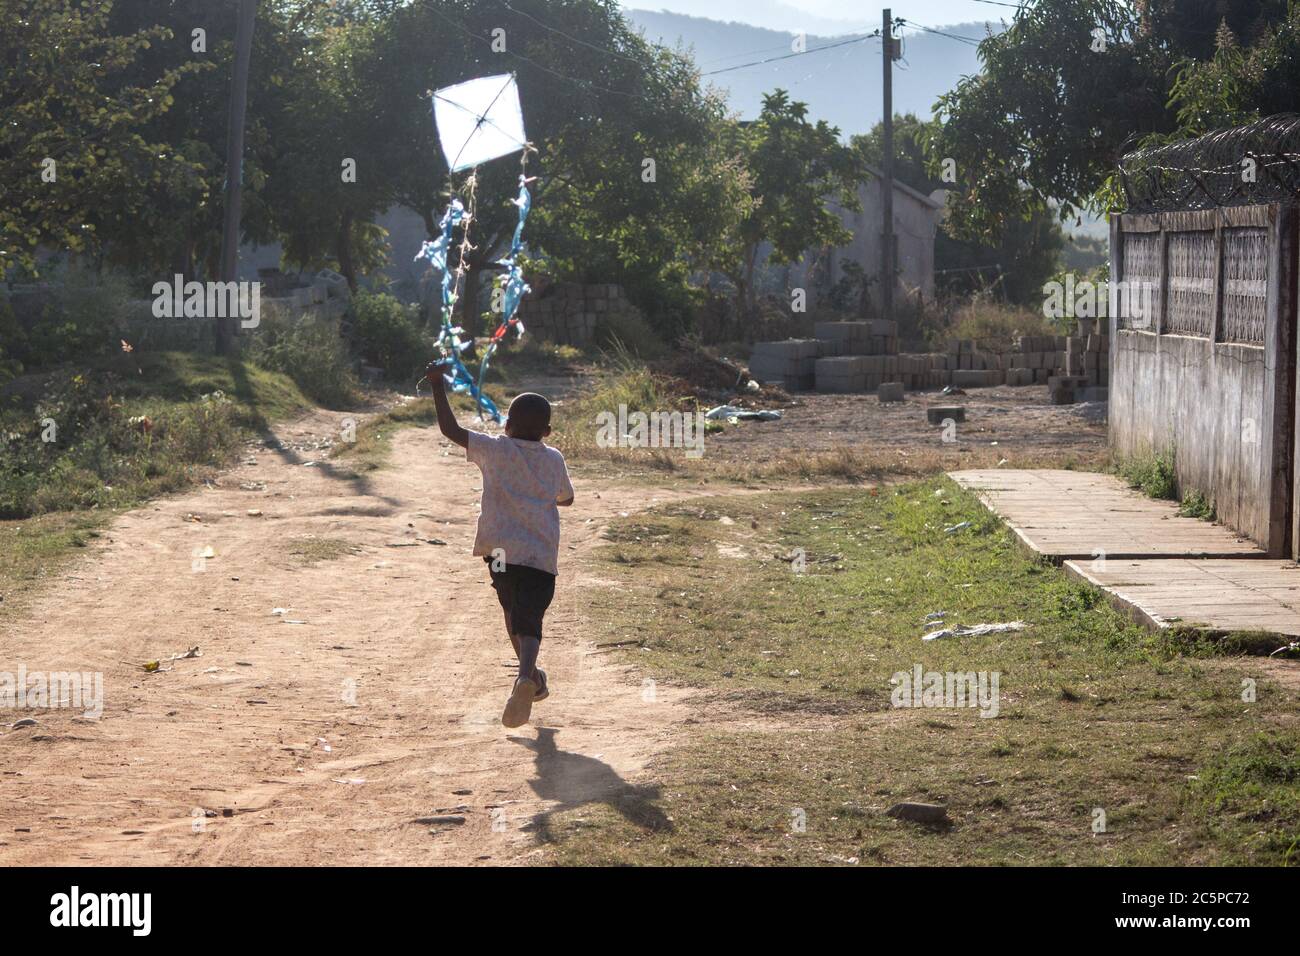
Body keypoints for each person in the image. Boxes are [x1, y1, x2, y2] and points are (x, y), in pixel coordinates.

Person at [423, 362, 574, 728]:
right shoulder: (553, 458)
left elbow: (450, 429)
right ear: (548, 431)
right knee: (530, 618)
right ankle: (527, 675)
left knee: (511, 611)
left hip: (501, 552)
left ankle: (531, 678)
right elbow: (566, 499)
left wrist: (437, 385)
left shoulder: (494, 449)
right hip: (538, 554)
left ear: (506, 425)